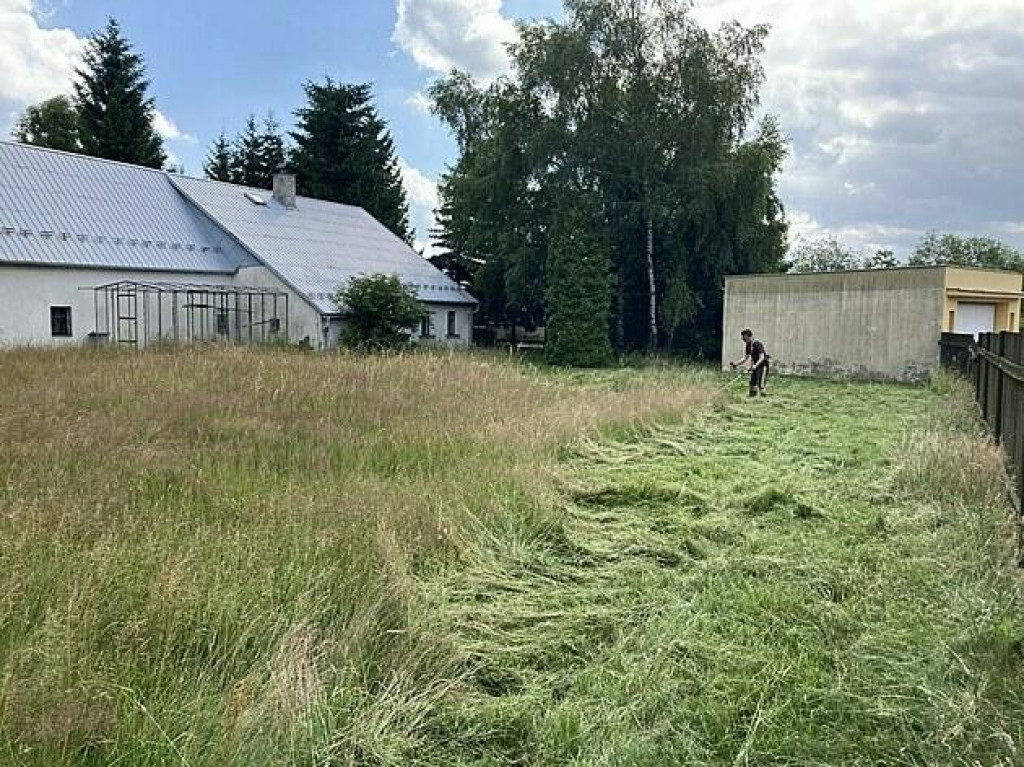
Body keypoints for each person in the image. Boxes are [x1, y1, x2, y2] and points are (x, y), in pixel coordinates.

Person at [730, 329, 770, 397]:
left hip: (762, 365)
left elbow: (762, 357)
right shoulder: (748, 346)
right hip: (755, 365)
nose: (743, 340)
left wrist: (755, 365)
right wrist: (735, 364)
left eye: (744, 338)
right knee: (752, 382)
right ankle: (752, 396)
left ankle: (763, 398)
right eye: (743, 339)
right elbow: (745, 358)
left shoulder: (757, 344)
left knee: (761, 383)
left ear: (749, 337)